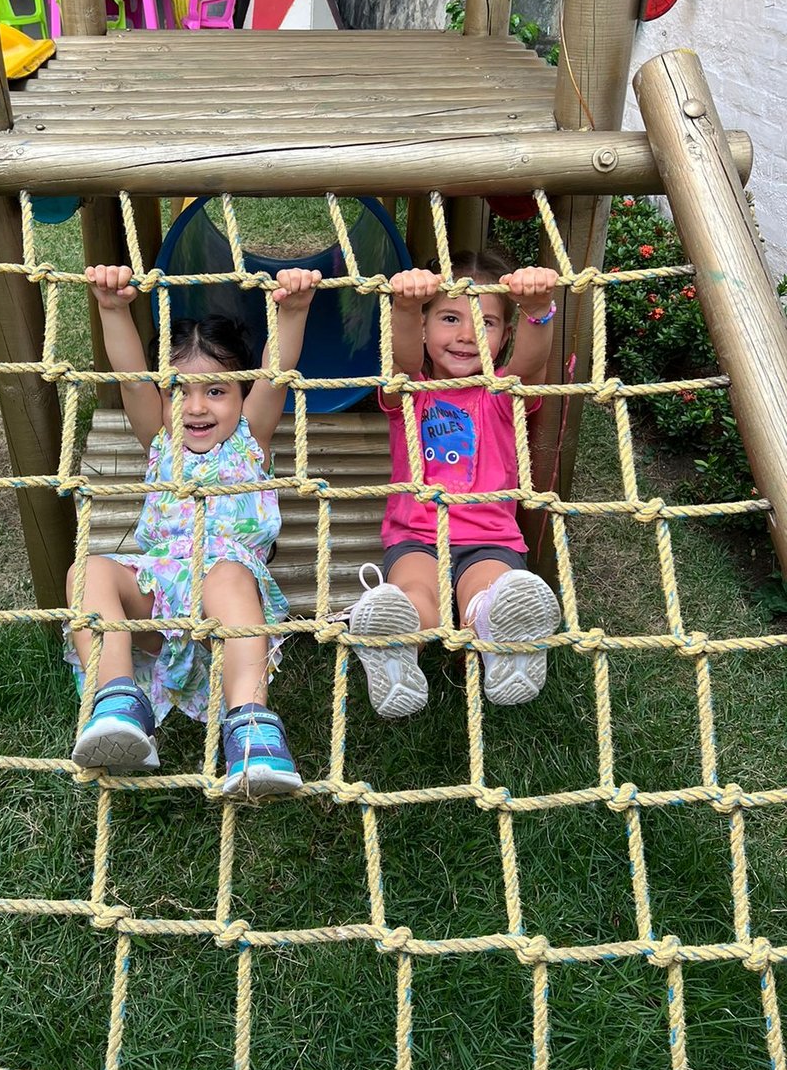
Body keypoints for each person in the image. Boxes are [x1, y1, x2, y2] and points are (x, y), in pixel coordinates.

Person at [67, 262, 321, 795]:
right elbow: (132, 374)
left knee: (225, 575)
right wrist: (113, 308)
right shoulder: (160, 439)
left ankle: (251, 730)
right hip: (159, 601)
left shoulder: (250, 436)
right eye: (180, 390)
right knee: (87, 571)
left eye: (217, 391)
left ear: (241, 394)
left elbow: (278, 369)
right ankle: (117, 701)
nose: (197, 407)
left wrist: (293, 310)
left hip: (227, 611)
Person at [349, 246, 562, 716]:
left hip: (489, 540)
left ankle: (505, 639)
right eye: (449, 318)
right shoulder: (413, 393)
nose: (466, 336)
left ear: (505, 334)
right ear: (424, 329)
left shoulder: (501, 395)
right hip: (417, 537)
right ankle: (396, 648)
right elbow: (401, 359)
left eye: (485, 323)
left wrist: (537, 311)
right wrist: (404, 307)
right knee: (415, 593)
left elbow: (530, 365)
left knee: (489, 592)